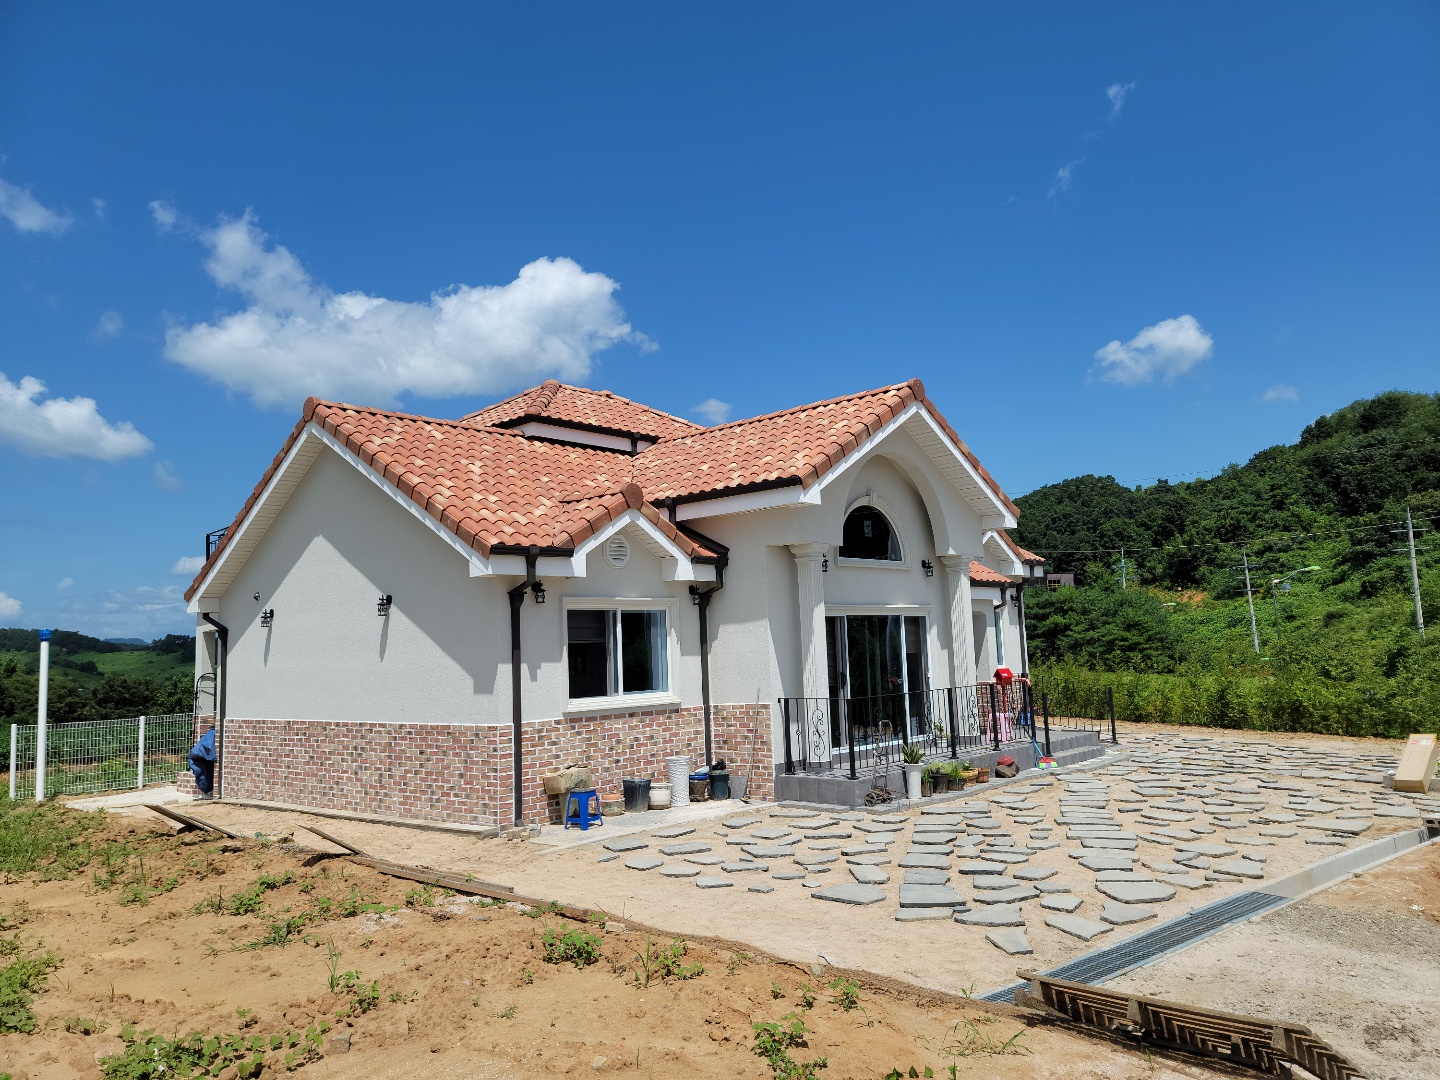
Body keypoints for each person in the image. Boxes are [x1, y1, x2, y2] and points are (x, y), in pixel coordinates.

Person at [189, 728, 216, 797]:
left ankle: (208, 791)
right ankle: (208, 791)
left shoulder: (209, 735)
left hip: (200, 757)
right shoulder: (211, 736)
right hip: (200, 757)